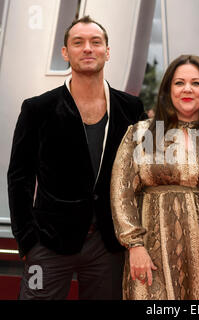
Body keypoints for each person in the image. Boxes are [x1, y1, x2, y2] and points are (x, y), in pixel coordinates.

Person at [7, 16, 146, 300]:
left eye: (96, 42)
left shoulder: (131, 108)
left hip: (109, 245)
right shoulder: (38, 109)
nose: (87, 49)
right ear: (65, 52)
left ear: (107, 51)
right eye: (78, 42)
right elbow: (19, 177)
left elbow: (147, 172)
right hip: (47, 244)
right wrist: (27, 242)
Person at [110, 54, 199, 300]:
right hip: (152, 256)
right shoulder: (141, 134)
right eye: (179, 83)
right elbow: (121, 192)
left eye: (196, 83)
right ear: (167, 90)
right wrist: (135, 246)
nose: (187, 89)